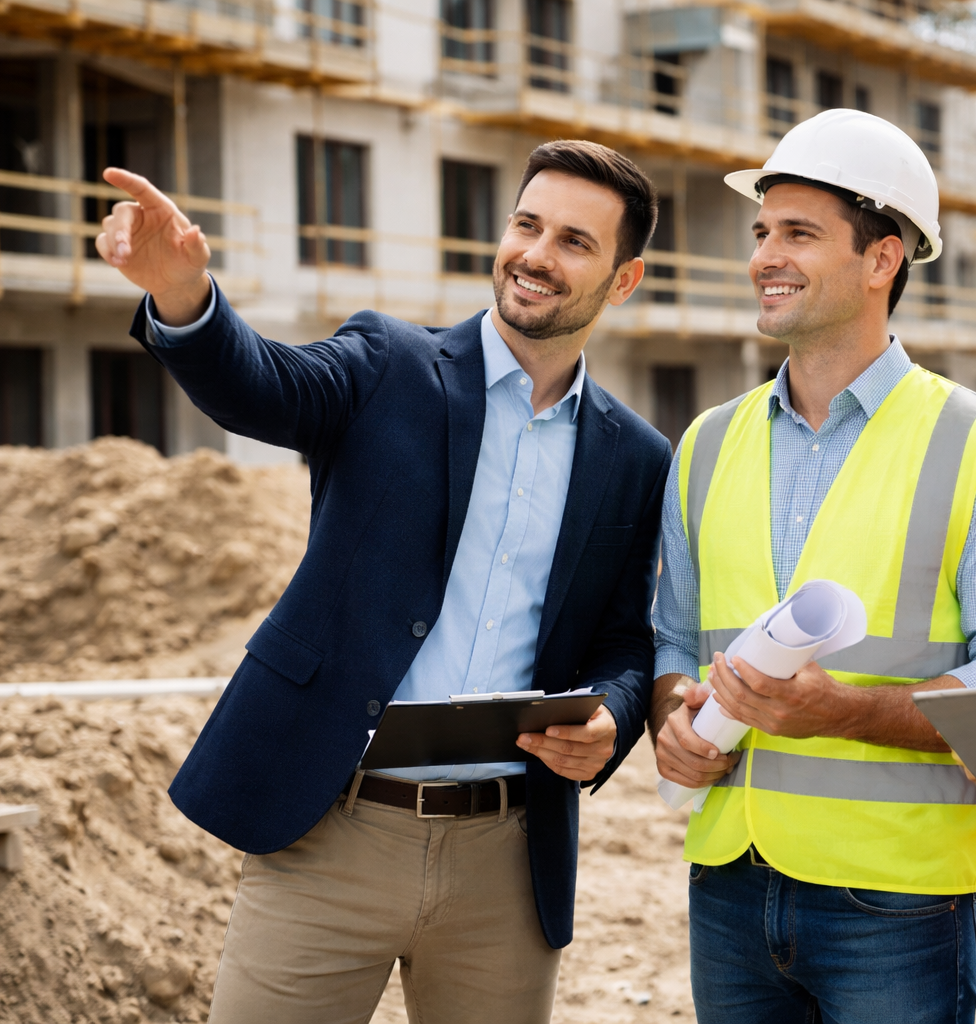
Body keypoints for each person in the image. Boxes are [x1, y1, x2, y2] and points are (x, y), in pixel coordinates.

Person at [94, 140, 672, 1024]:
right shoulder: (389, 365)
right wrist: (183, 296)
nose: (536, 255)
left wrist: (615, 714)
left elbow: (627, 639)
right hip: (329, 827)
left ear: (622, 281)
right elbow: (266, 388)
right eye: (526, 225)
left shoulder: (634, 456)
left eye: (573, 242)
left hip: (507, 862)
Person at [649, 108, 976, 1024]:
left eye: (799, 232)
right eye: (762, 231)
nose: (765, 255)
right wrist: (670, 718)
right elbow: (674, 638)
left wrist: (846, 711)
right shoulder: (706, 446)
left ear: (884, 259)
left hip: (895, 900)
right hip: (726, 884)